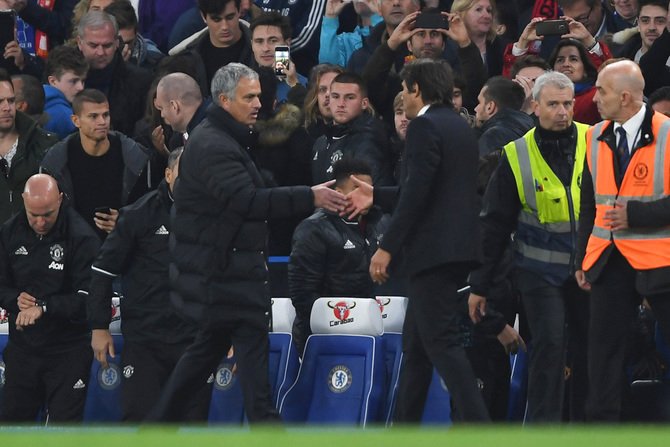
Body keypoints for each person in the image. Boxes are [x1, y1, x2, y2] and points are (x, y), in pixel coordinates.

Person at [146, 63, 347, 423]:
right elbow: (249, 201)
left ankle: (153, 433)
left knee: (220, 377)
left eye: (258, 95)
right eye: (248, 97)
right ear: (224, 100)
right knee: (247, 387)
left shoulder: (225, 138)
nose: (259, 103)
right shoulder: (213, 145)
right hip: (227, 282)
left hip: (231, 281)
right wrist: (309, 196)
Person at [348, 58, 505, 423]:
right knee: (416, 350)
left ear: (416, 89)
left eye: (405, 89)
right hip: (455, 249)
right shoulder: (458, 126)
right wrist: (378, 195)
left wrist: (386, 248)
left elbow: (417, 194)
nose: (403, 96)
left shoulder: (423, 126)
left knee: (443, 346)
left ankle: (480, 431)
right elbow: (428, 188)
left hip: (431, 253)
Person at [469, 71, 591, 422]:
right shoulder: (515, 154)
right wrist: (479, 285)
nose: (563, 112)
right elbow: (493, 224)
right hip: (538, 273)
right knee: (550, 349)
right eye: (553, 104)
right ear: (535, 106)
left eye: (567, 103)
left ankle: (585, 430)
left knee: (588, 352)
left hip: (588, 270)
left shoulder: (594, 140)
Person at [87, 148, 211, 422]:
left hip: (194, 340)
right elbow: (102, 271)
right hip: (146, 341)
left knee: (193, 427)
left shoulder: (215, 216)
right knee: (140, 424)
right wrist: (99, 327)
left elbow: (228, 276)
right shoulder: (138, 215)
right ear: (168, 175)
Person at [576, 59, 670, 422]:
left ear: (626, 96)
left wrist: (637, 216)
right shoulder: (594, 135)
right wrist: (584, 258)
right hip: (608, 258)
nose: (594, 98)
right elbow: (589, 204)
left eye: (601, 91)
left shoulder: (666, 133)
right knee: (602, 357)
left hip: (660, 260)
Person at [0, 174, 100, 423]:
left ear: (60, 200)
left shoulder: (82, 237)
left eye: (48, 214)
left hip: (68, 350)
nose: (41, 222)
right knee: (12, 426)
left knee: (63, 430)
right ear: (23, 200)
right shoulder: (8, 232)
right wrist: (16, 301)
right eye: (33, 215)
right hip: (23, 349)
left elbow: (88, 299)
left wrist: (44, 307)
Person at [288, 158, 387, 355]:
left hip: (373, 335)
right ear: (338, 193)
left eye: (368, 187)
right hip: (324, 338)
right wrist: (343, 320)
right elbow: (302, 293)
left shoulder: (383, 224)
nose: (365, 193)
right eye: (356, 188)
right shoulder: (313, 229)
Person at [40, 89, 153, 240]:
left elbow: (149, 212)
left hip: (123, 249)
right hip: (74, 252)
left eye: (105, 115)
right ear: (75, 120)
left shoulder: (136, 158)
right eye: (93, 116)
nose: (102, 122)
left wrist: (125, 223)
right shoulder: (55, 162)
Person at [76, 10, 153, 137]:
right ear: (80, 43)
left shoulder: (141, 81)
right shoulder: (60, 74)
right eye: (93, 45)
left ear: (117, 43)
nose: (100, 52)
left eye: (107, 45)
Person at [311, 72, 394, 186]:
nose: (341, 104)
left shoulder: (370, 142)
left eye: (349, 98)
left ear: (364, 103)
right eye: (335, 97)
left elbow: (371, 194)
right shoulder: (321, 142)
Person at [0, 69, 58, 225]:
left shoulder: (46, 145)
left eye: (11, 100)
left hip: (36, 244)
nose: (7, 107)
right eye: (0, 102)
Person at [176, 0, 254, 94]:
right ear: (203, 17)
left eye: (230, 17)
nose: (224, 26)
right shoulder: (188, 58)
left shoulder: (261, 49)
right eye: (216, 20)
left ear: (239, 12)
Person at [249, 11, 307, 106]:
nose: (265, 49)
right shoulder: (241, 84)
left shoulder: (306, 86)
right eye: (259, 41)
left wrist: (295, 86)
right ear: (252, 45)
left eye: (272, 41)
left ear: (287, 43)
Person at [548, 39, 611, 124]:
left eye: (573, 59)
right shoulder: (544, 95)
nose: (566, 64)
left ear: (585, 70)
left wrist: (589, 41)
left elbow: (613, 78)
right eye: (560, 60)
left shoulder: (594, 95)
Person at [474, 75, 534, 156]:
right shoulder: (532, 128)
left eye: (479, 102)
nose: (475, 109)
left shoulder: (493, 137)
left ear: (490, 107)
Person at [450, 0, 511, 77]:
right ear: (460, 15)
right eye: (478, 9)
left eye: (489, 11)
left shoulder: (505, 48)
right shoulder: (448, 49)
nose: (487, 16)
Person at [153, 72, 212, 150]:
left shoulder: (209, 138)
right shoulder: (179, 140)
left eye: (162, 108)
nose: (162, 115)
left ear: (174, 106)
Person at [103, 0, 165, 71]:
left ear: (136, 34)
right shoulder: (94, 57)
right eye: (115, 42)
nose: (124, 48)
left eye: (128, 43)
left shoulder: (155, 60)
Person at [319, 0, 383, 67]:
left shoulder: (393, 30)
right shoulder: (345, 40)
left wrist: (378, 15)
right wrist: (330, 20)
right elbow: (328, 69)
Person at [43, 45, 88, 139]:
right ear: (53, 81)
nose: (81, 87)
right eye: (73, 81)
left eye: (82, 81)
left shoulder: (35, 102)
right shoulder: (67, 117)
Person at [303, 63, 344, 141]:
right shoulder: (306, 135)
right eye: (323, 90)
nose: (328, 94)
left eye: (334, 88)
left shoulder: (362, 136)